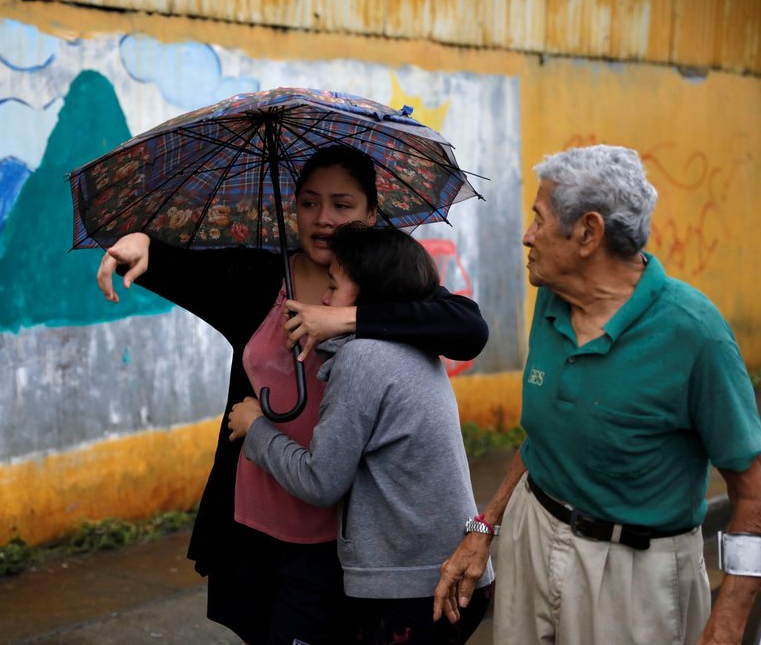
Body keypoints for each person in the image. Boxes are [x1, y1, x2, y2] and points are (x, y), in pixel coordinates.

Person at [96, 144, 489, 645]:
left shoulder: (383, 284)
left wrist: (344, 318)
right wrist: (140, 242)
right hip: (251, 521)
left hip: (333, 538)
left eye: (342, 205)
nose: (323, 219)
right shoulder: (260, 277)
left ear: (372, 213)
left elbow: (467, 328)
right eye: (308, 203)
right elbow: (177, 265)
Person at [432, 144, 761, 644]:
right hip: (534, 538)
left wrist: (725, 627)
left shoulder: (693, 333)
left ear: (588, 233)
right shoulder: (553, 298)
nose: (526, 236)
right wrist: (486, 526)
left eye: (539, 218)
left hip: (634, 575)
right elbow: (542, 438)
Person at [227, 222, 493, 645]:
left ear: (369, 296)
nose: (326, 300)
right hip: (439, 573)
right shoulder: (409, 342)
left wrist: (256, 429)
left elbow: (320, 482)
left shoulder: (364, 358)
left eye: (334, 286)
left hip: (417, 587)